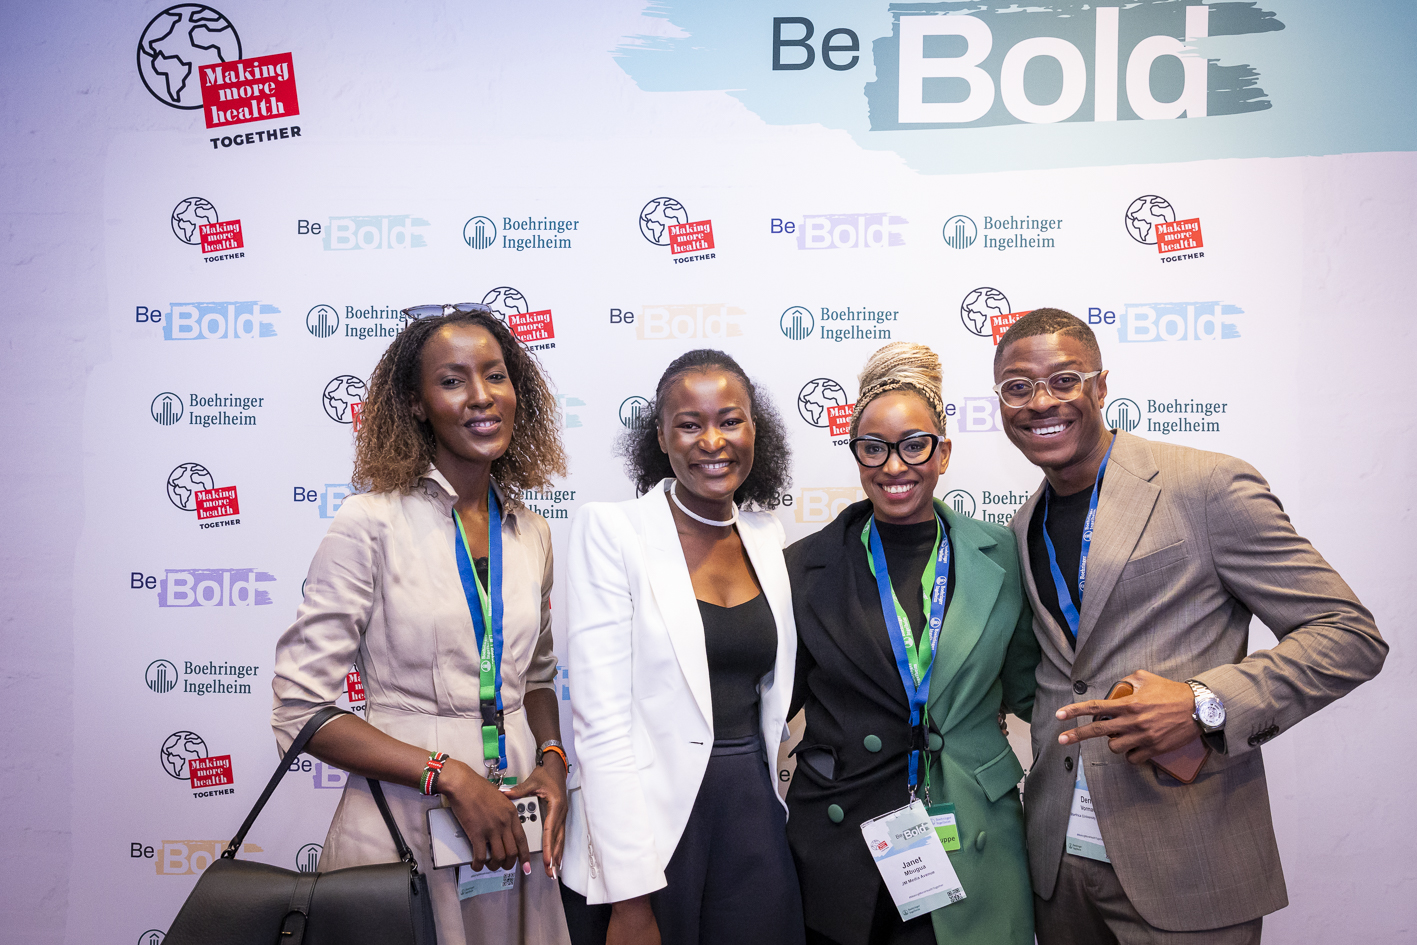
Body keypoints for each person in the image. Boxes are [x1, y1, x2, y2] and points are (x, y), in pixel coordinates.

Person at [992, 308, 1387, 944]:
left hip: (1189, 862)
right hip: (1058, 872)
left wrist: (1204, 703)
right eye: (1018, 387)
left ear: (1101, 386)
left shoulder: (1205, 485)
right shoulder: (1022, 524)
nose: (1041, 402)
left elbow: (1348, 634)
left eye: (1064, 380)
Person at [271, 303, 573, 945]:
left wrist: (552, 760)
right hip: (402, 826)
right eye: (452, 381)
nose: (481, 396)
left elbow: (537, 677)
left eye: (495, 375)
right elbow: (300, 711)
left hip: (511, 826)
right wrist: (450, 775)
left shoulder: (531, 531)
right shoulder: (369, 523)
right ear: (415, 403)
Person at [785, 342, 1040, 945]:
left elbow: (1032, 689)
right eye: (873, 447)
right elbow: (771, 706)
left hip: (973, 831)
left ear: (943, 453)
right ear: (856, 455)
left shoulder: (1003, 556)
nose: (893, 466)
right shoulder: (803, 568)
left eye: (914, 445)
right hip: (844, 842)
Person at [558, 349, 804, 945]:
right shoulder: (613, 531)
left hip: (752, 810)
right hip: (649, 832)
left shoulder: (766, 536)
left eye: (730, 420)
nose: (712, 441)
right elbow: (602, 729)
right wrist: (629, 899)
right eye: (689, 425)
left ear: (755, 430)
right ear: (661, 438)